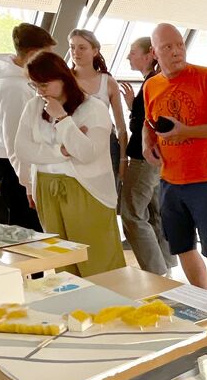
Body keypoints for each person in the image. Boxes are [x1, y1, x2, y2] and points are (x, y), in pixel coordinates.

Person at [142, 23, 207, 294]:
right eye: (167, 47)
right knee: (182, 246)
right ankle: (204, 299)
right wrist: (146, 143)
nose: (176, 51)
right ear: (154, 53)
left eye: (180, 44)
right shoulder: (152, 86)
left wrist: (188, 131)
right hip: (170, 180)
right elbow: (149, 123)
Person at [14, 51, 125, 277]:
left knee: (97, 260)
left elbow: (86, 153)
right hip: (46, 186)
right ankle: (75, 309)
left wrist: (63, 119)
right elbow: (22, 150)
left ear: (62, 77)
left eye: (44, 84)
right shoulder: (34, 106)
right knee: (62, 261)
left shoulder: (93, 108)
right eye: (35, 85)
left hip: (86, 189)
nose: (39, 91)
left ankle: (111, 308)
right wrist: (62, 151)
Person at [0, 23, 55, 230]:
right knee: (27, 228)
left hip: (15, 162)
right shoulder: (13, 87)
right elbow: (16, 143)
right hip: (13, 165)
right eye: (47, 55)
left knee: (29, 227)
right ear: (33, 53)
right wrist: (29, 185)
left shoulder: (19, 83)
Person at [118, 37, 178, 276]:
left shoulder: (154, 81)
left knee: (131, 213)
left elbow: (145, 124)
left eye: (133, 52)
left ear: (148, 54)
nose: (128, 57)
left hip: (145, 159)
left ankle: (156, 271)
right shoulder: (155, 80)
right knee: (154, 211)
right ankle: (166, 268)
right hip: (156, 158)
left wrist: (133, 109)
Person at [69, 29, 127, 194]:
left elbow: (121, 126)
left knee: (106, 197)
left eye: (82, 47)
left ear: (95, 51)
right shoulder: (65, 80)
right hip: (75, 144)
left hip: (106, 146)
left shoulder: (108, 82)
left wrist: (123, 159)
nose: (76, 52)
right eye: (72, 47)